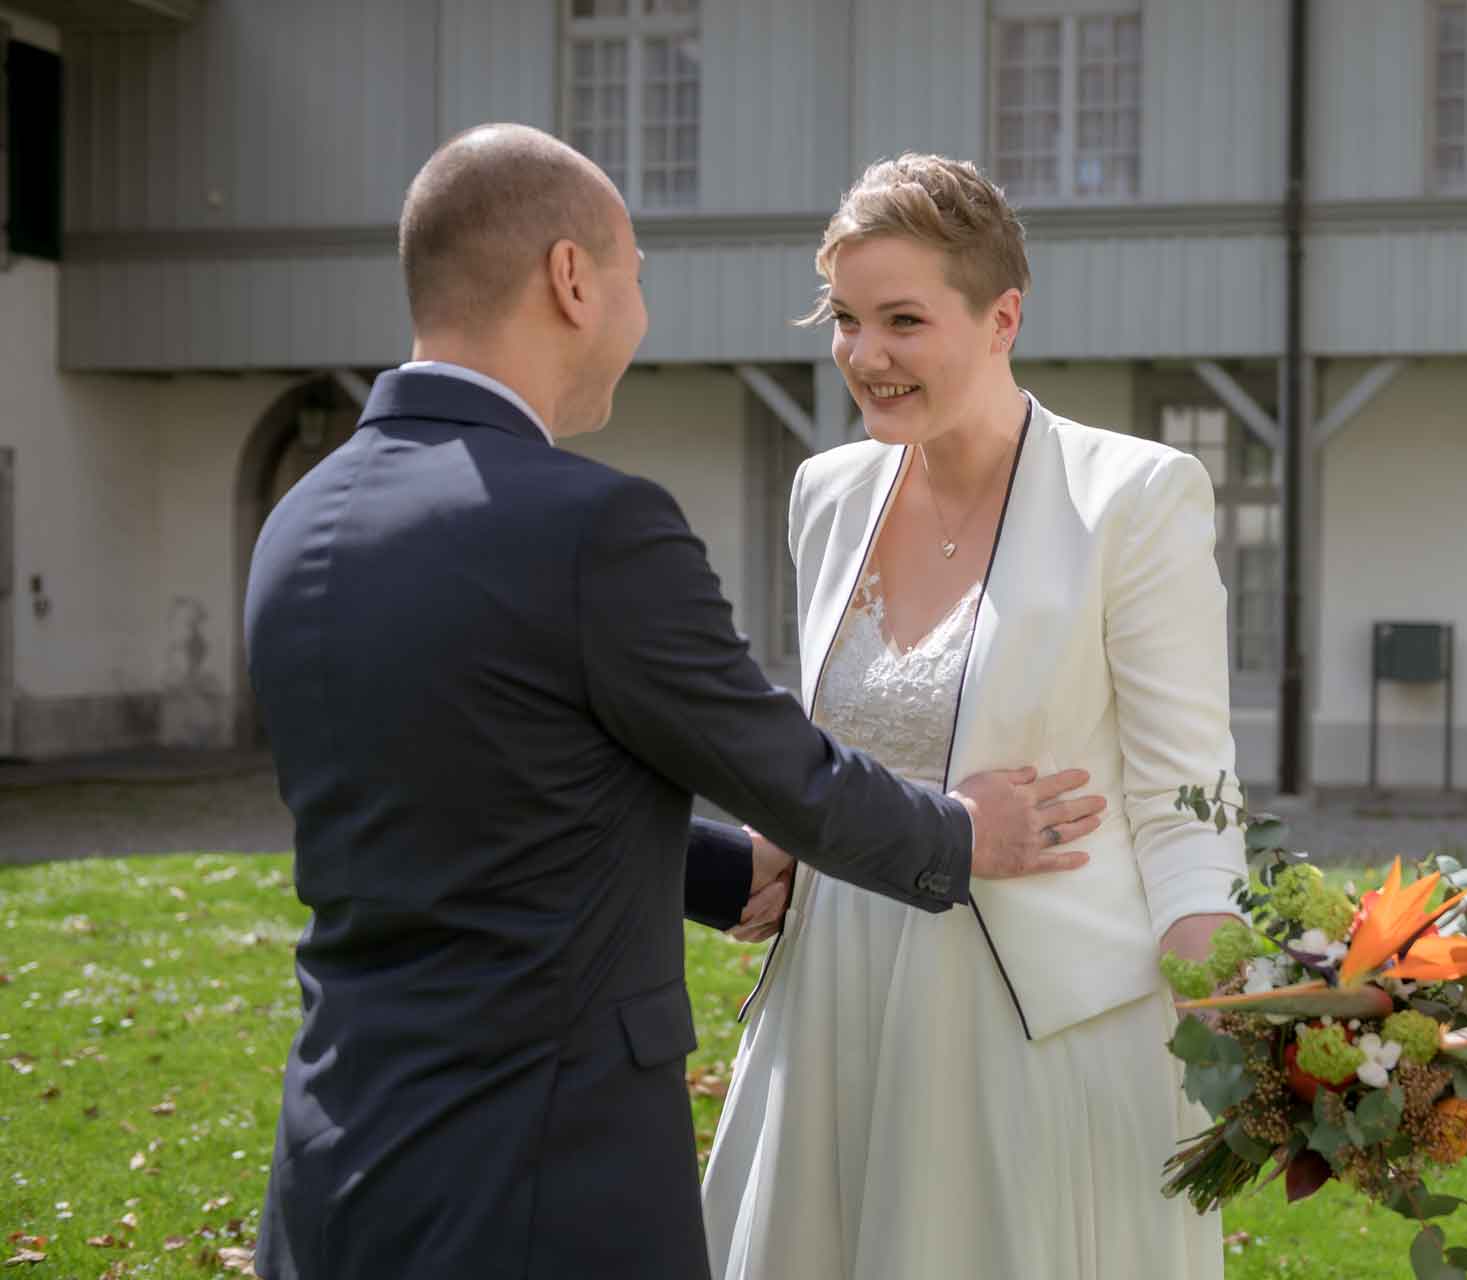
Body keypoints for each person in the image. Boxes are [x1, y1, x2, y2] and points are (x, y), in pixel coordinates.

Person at [244, 125, 1099, 1280]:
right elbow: (785, 768)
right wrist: (962, 829)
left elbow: (469, 786)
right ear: (571, 279)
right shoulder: (592, 526)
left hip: (338, 1149)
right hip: (545, 1168)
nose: (641, 313)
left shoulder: (300, 519)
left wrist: (716, 870)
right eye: (636, 273)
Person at [701, 154, 1248, 1280]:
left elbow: (1188, 791)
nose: (865, 355)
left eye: (904, 319)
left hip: (1035, 1020)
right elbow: (831, 750)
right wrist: (792, 842)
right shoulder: (826, 492)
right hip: (834, 991)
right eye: (846, 318)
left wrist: (1236, 999)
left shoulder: (1135, 497)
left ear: (1003, 315)